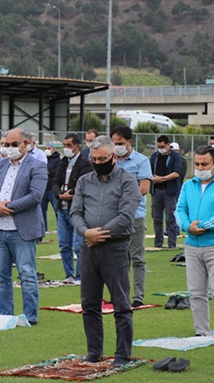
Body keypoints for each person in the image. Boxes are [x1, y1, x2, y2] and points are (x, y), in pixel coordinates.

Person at [70, 135, 141, 365]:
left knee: (120, 303)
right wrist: (85, 232)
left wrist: (97, 235)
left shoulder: (128, 181)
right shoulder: (83, 181)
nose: (98, 161)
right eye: (94, 158)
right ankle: (94, 352)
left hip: (115, 247)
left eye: (103, 158)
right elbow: (75, 213)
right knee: (89, 304)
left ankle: (122, 354)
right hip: (89, 248)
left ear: (114, 156)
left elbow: (125, 216)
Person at [0, 128, 47, 325]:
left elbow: (36, 196)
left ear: (26, 144)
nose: (9, 148)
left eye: (14, 144)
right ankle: (4, 315)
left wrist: (7, 207)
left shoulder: (37, 166)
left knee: (27, 274)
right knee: (0, 274)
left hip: (22, 229)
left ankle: (30, 317)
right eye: (6, 144)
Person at [175, 145, 214, 339]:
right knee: (195, 292)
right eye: (197, 164)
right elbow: (179, 209)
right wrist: (187, 226)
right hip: (193, 245)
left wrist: (202, 226)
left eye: (205, 164)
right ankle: (201, 332)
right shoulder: (188, 185)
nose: (200, 168)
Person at [112, 126, 152, 307]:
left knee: (137, 257)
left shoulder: (141, 161)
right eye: (114, 143)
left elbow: (143, 189)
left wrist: (120, 194)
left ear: (130, 142)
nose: (117, 146)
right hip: (113, 217)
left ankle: (138, 296)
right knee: (118, 260)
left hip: (135, 216)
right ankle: (120, 295)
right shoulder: (110, 160)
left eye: (120, 143)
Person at [52, 134, 93, 283]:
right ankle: (68, 275)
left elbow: (84, 185)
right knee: (64, 244)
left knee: (78, 245)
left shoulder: (85, 164)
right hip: (62, 208)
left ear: (77, 146)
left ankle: (80, 276)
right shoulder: (63, 162)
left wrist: (70, 194)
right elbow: (55, 182)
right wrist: (59, 195)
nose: (66, 148)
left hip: (76, 210)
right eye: (64, 145)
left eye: (69, 145)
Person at [149, 135, 182, 248]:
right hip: (156, 191)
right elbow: (149, 170)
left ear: (168, 145)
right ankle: (158, 243)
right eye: (159, 146)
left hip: (169, 191)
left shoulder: (175, 157)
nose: (161, 148)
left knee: (171, 218)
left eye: (163, 146)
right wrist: (153, 178)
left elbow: (176, 173)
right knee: (156, 218)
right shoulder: (154, 156)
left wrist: (162, 179)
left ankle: (172, 244)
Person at [42, 142, 61, 233]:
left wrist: (49, 171)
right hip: (44, 188)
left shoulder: (58, 160)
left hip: (52, 189)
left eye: (49, 148)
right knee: (42, 210)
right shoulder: (43, 159)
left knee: (57, 209)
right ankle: (43, 229)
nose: (47, 150)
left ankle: (60, 228)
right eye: (45, 148)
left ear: (54, 149)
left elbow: (58, 172)